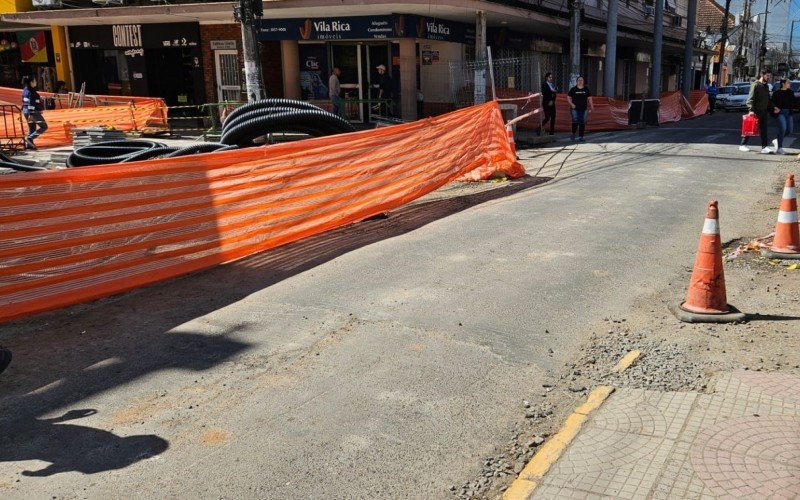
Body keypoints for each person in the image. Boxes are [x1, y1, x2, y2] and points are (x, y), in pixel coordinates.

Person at [739, 70, 776, 154]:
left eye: (769, 76)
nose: (768, 77)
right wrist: (751, 110)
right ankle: (742, 145)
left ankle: (764, 147)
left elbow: (768, 99)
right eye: (767, 75)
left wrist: (774, 107)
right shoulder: (755, 85)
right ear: (762, 75)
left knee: (764, 130)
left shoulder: (766, 86)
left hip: (763, 111)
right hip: (755, 112)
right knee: (750, 128)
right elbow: (750, 98)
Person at [21, 75, 48, 150]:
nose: (36, 82)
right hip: (32, 112)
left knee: (32, 128)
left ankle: (29, 145)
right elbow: (31, 103)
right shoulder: (31, 92)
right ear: (31, 82)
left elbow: (25, 101)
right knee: (44, 126)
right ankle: (30, 138)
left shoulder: (25, 90)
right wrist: (32, 113)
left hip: (25, 111)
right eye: (35, 80)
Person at [567, 76, 594, 141]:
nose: (580, 81)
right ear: (577, 81)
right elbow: (568, 97)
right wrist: (571, 104)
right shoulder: (573, 89)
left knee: (582, 122)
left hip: (584, 109)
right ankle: (573, 133)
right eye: (579, 80)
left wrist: (592, 106)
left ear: (583, 81)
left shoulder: (586, 89)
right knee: (575, 121)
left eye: (581, 80)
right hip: (574, 109)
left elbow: (590, 98)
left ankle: (581, 137)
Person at [770, 78, 794, 155]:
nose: (790, 84)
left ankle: (777, 140)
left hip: (788, 113)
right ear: (783, 84)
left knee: (789, 130)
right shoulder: (777, 93)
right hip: (780, 113)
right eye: (788, 82)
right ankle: (779, 148)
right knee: (783, 129)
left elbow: (793, 103)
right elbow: (772, 103)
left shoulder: (790, 92)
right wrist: (775, 108)